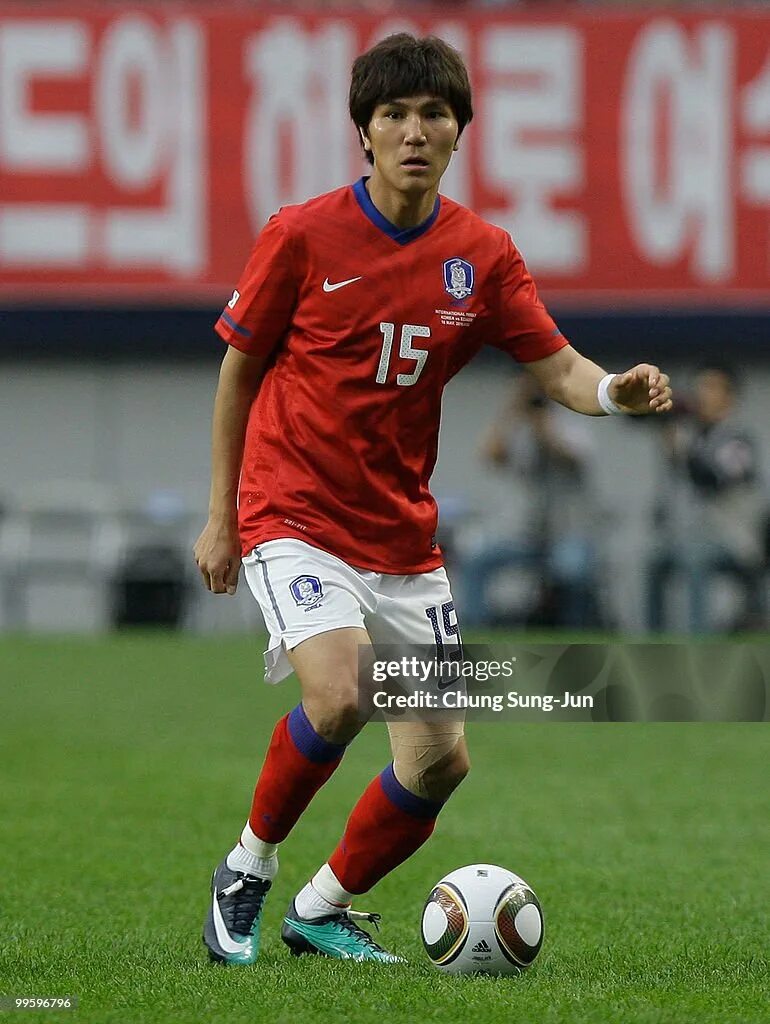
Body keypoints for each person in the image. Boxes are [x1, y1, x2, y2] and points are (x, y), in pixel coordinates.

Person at [193, 32, 673, 965]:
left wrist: (616, 392)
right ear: (363, 135)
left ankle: (322, 907)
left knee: (439, 759)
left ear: (458, 134)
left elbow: (562, 367)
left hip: (402, 538)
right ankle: (247, 870)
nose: (415, 131)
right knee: (339, 697)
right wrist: (222, 515)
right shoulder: (301, 234)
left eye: (433, 115)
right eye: (394, 116)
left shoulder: (482, 256)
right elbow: (237, 373)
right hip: (294, 513)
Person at [461, 372, 599, 628]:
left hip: (568, 534)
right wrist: (512, 408)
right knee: (477, 561)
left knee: (571, 571)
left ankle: (574, 641)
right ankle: (476, 636)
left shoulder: (573, 424)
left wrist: (542, 418)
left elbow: (569, 454)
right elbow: (490, 454)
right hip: (528, 535)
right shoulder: (520, 429)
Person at [646, 364, 764, 633]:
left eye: (711, 387)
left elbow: (713, 478)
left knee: (694, 559)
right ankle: (653, 645)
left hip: (737, 540)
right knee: (655, 561)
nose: (702, 394)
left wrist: (683, 449)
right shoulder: (696, 435)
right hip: (698, 536)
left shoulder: (738, 439)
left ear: (729, 396)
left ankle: (698, 643)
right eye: (700, 386)